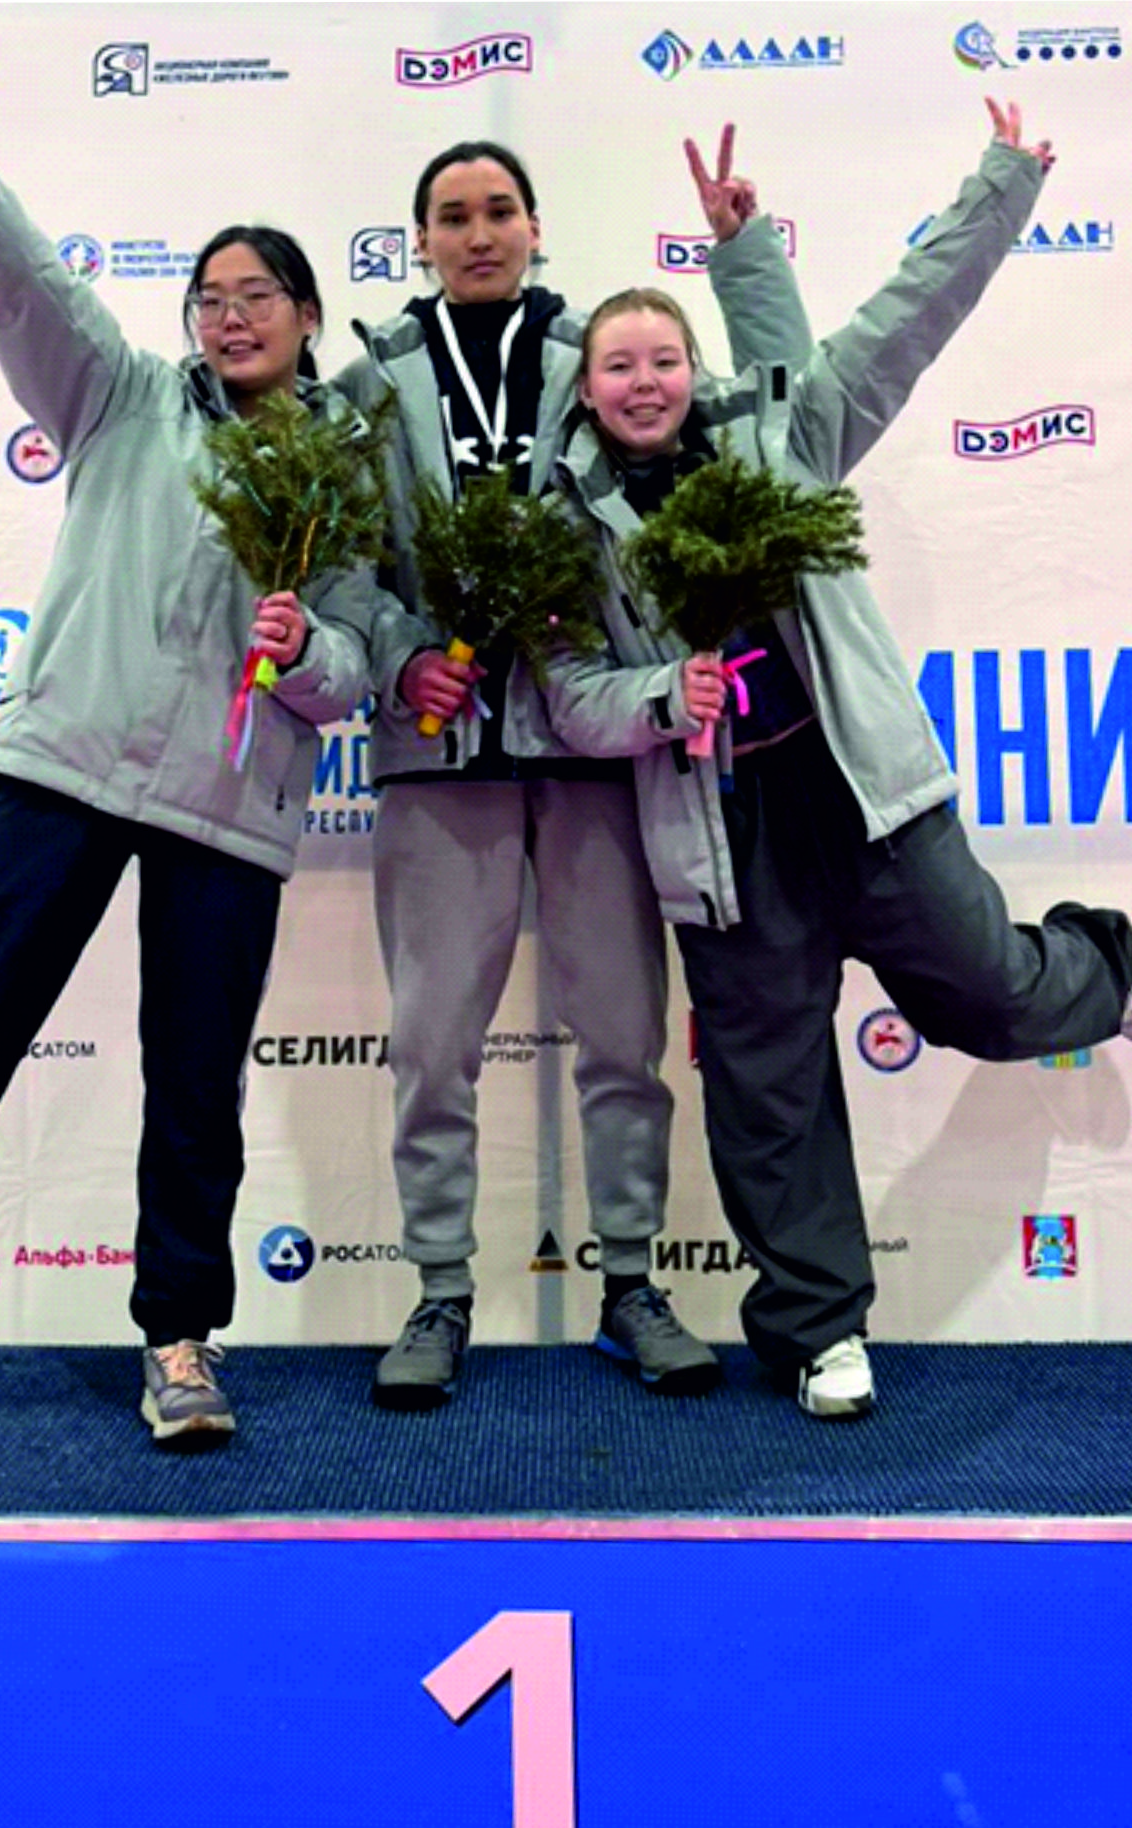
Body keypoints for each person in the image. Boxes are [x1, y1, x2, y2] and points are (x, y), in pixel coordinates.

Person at [0, 5, 371, 1455]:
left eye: (259, 294)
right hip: (66, 767)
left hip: (227, 801)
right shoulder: (118, 398)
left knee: (196, 1083)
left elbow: (360, 666)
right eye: (210, 295)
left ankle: (179, 1338)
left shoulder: (345, 475)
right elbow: (14, 276)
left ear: (307, 316)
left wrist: (305, 652)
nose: (229, 315)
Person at [544, 101, 1132, 1421]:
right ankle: (819, 1330)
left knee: (989, 994)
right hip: (722, 837)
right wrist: (661, 695)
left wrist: (998, 185)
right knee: (766, 1094)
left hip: (863, 793)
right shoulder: (570, 527)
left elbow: (900, 323)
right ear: (585, 391)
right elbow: (567, 698)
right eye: (617, 366)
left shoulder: (784, 442)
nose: (644, 381)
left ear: (692, 366)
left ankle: (1105, 963)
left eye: (663, 357)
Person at [331, 131, 810, 1408]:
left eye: (499, 210)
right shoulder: (370, 385)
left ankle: (632, 1285)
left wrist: (743, 259)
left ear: (534, 228)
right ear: (418, 241)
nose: (477, 233)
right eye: (451, 215)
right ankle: (439, 1291)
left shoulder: (590, 359)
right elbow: (343, 565)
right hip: (436, 755)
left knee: (621, 1039)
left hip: (593, 746)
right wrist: (399, 659)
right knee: (432, 1046)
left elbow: (733, 428)